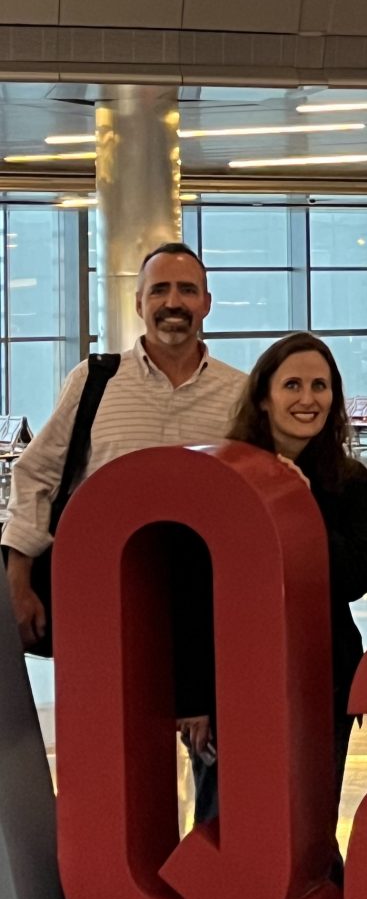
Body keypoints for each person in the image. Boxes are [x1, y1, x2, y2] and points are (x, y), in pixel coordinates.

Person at [177, 333, 367, 840]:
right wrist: (192, 698)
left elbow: (360, 574)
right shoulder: (220, 478)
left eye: (320, 386)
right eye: (291, 384)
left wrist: (302, 503)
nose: (307, 399)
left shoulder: (349, 481)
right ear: (264, 398)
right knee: (226, 828)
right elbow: (189, 594)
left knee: (307, 831)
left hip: (320, 681)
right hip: (230, 685)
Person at [2, 242, 244, 650]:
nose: (172, 301)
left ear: (206, 303)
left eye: (186, 290)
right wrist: (18, 583)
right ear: (138, 303)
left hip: (204, 601)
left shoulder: (240, 393)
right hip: (99, 591)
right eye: (158, 289)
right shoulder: (95, 381)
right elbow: (36, 475)